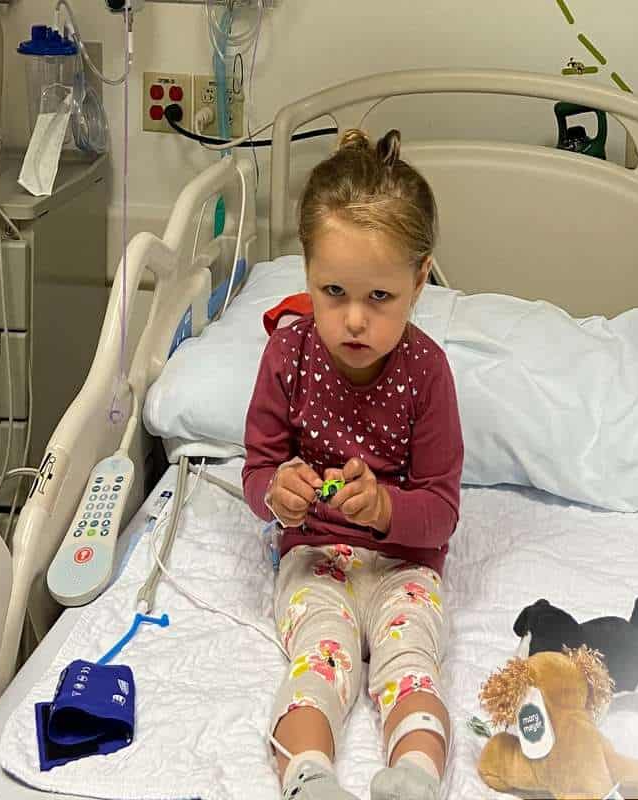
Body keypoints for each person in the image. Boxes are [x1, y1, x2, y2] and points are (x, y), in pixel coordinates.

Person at [242, 128, 464, 800]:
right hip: (315, 559)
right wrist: (277, 493)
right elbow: (257, 471)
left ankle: (416, 778)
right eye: (333, 291)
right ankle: (309, 778)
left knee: (410, 662)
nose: (355, 320)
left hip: (403, 566)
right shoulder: (288, 357)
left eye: (380, 298)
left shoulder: (427, 372)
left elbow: (442, 510)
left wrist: (388, 507)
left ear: (419, 280)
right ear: (306, 273)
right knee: (319, 659)